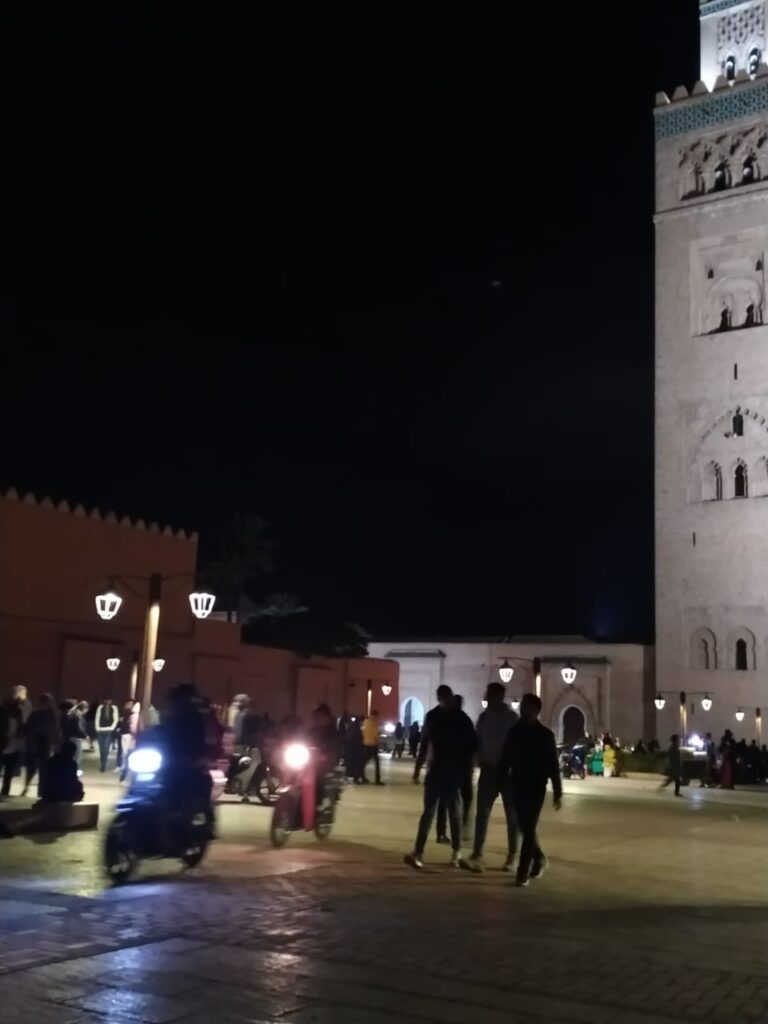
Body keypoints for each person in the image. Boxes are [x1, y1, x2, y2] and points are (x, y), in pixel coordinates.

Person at [404, 684, 477, 870]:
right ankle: (440, 851)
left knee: (446, 811)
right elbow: (425, 744)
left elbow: (471, 746)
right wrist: (418, 769)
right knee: (439, 811)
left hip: (448, 771)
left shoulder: (442, 717)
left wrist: (418, 769)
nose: (447, 701)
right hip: (442, 771)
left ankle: (447, 851)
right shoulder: (456, 718)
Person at [498, 693, 562, 887]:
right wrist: (499, 779)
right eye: (522, 706)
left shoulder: (545, 735)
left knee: (528, 827)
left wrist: (557, 791)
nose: (522, 709)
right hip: (517, 784)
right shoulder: (515, 731)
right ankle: (539, 857)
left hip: (536, 787)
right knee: (524, 826)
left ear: (535, 710)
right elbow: (506, 757)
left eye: (526, 706)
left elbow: (553, 765)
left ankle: (522, 871)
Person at [462, 682, 518, 873]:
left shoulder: (512, 719)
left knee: (512, 815)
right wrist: (475, 761)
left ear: (499, 696)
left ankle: (512, 856)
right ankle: (477, 854)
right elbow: (477, 742)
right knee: (482, 813)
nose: (487, 697)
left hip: (507, 772)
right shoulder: (484, 718)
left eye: (490, 694)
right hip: (488, 769)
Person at [435, 694, 474, 843]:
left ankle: (442, 832)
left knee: (444, 801)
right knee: (463, 798)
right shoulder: (465, 720)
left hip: (447, 766)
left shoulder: (444, 720)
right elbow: (473, 743)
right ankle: (460, 828)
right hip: (461, 766)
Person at [22, 693, 61, 797]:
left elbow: (28, 729)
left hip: (35, 743)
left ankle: (27, 787)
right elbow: (56, 731)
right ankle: (41, 791)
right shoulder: (53, 714)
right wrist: (57, 743)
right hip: (45, 743)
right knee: (43, 769)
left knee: (32, 768)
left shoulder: (36, 714)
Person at [0, 692, 25, 798]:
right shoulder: (3, 712)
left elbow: (21, 727)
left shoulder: (17, 712)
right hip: (4, 744)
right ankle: (5, 792)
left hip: (12, 745)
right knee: (8, 772)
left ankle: (5, 792)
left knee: (9, 772)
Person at [94, 698, 119, 772]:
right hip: (100, 730)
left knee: (106, 748)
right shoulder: (100, 707)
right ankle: (102, 763)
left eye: (109, 700)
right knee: (101, 749)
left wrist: (112, 728)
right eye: (106, 700)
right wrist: (97, 728)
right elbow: (97, 718)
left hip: (108, 730)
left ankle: (103, 765)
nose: (108, 701)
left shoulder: (114, 708)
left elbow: (116, 719)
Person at [61, 700, 87, 765]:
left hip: (68, 738)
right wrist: (85, 736)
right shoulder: (75, 716)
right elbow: (77, 727)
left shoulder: (66, 715)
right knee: (76, 757)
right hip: (75, 738)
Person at [362, 709, 384, 785]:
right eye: (376, 716)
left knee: (364, 762)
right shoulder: (374, 723)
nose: (376, 718)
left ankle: (361, 776)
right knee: (376, 762)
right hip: (372, 745)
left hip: (366, 744)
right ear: (373, 715)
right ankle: (377, 780)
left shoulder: (365, 722)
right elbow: (375, 734)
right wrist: (379, 734)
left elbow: (363, 732)